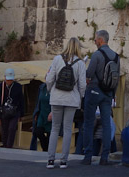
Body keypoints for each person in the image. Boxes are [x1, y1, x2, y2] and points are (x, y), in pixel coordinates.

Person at [45, 37, 86, 169]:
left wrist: (50, 90)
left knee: (55, 128)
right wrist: (79, 97)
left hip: (57, 97)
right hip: (71, 99)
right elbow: (82, 85)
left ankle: (50, 160)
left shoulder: (57, 59)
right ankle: (63, 160)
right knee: (68, 129)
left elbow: (50, 78)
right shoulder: (80, 63)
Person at [80, 29, 118, 165]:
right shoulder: (116, 56)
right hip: (108, 94)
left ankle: (88, 156)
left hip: (94, 91)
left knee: (89, 123)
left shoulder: (96, 55)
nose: (95, 41)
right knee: (107, 124)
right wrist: (112, 95)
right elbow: (116, 78)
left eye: (96, 39)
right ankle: (104, 157)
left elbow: (89, 73)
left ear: (101, 40)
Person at [0, 67, 24, 148]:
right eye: (8, 79)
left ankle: (9, 146)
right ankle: (5, 145)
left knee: (12, 128)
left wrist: (21, 114)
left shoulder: (18, 86)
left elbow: (21, 101)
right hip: (4, 112)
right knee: (4, 130)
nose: (9, 81)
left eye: (11, 80)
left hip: (15, 111)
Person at [29, 81, 51, 151]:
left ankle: (47, 151)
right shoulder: (42, 87)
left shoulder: (56, 88)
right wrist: (36, 113)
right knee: (37, 131)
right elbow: (38, 101)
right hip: (42, 113)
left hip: (51, 114)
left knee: (50, 135)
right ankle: (45, 148)